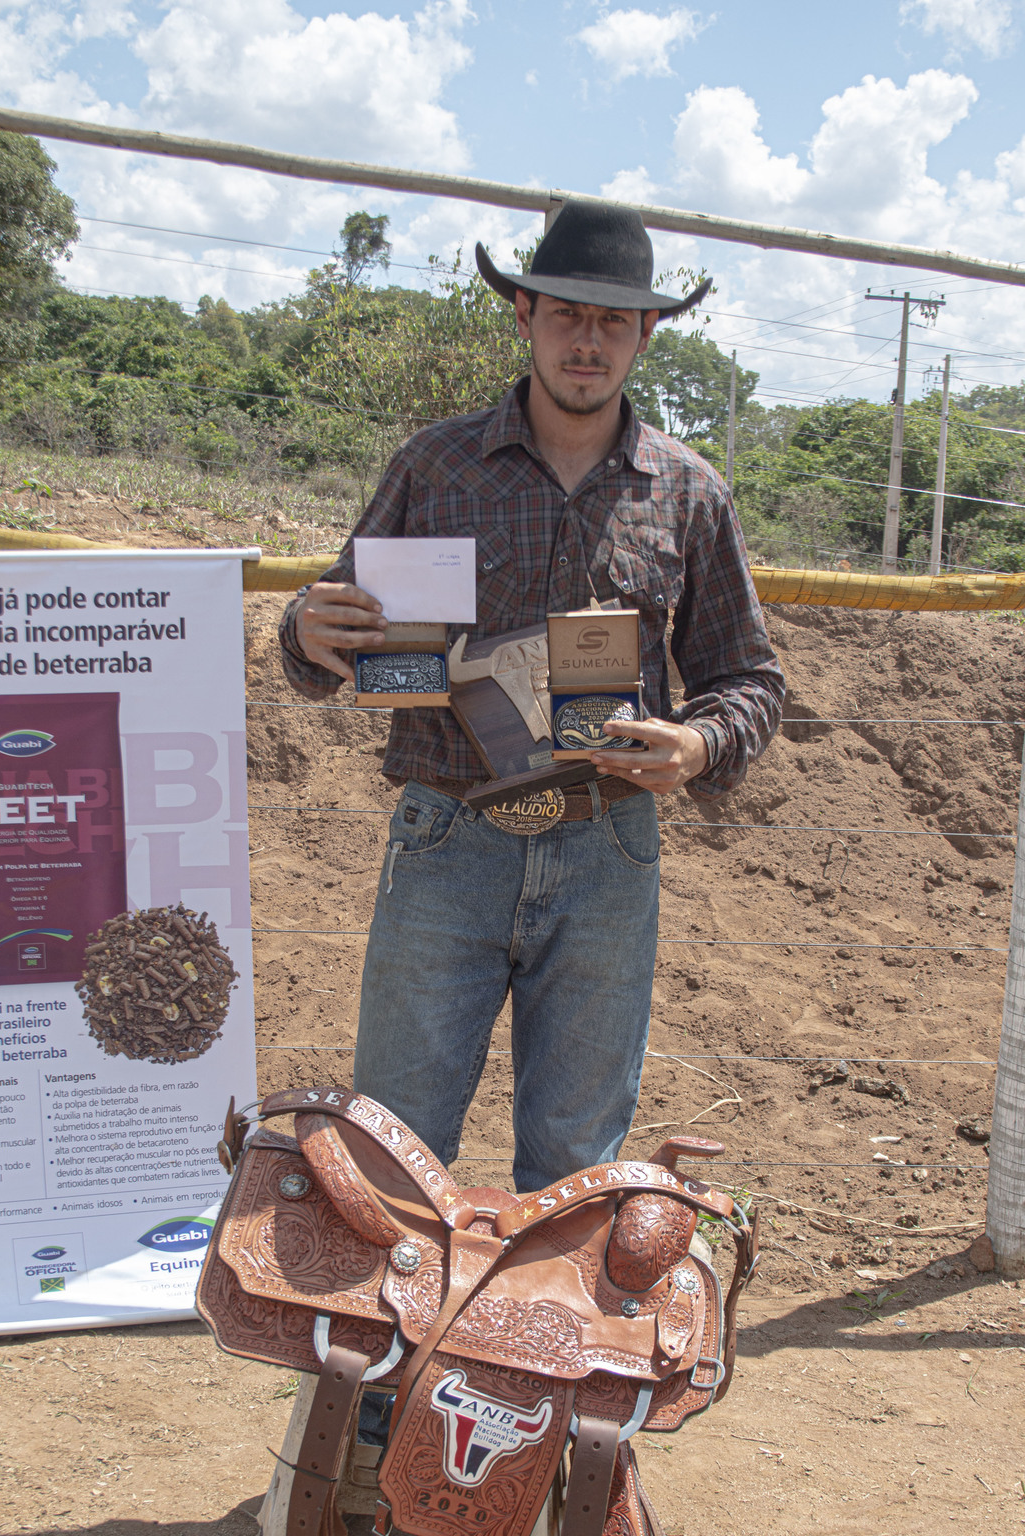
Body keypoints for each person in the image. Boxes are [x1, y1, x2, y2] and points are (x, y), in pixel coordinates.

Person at [278, 200, 785, 1192]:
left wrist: (697, 747)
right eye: (565, 314)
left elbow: (750, 680)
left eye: (610, 321)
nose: (586, 341)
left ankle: (539, 1341)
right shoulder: (436, 466)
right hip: (447, 843)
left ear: (648, 333)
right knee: (394, 1147)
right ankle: (387, 1352)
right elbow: (327, 642)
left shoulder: (690, 494)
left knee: (574, 1166)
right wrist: (304, 630)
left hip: (607, 852)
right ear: (523, 315)